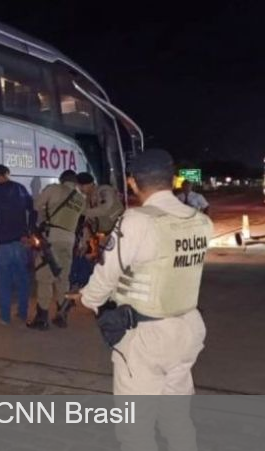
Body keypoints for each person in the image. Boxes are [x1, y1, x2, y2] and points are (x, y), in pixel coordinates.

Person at [66, 148, 213, 395]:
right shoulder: (200, 220)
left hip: (149, 335)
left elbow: (107, 273)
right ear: (173, 178)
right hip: (189, 327)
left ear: (132, 182)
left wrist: (88, 299)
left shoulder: (137, 220)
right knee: (176, 412)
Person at [28, 170, 85, 330]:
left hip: (51, 239)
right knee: (63, 278)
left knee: (45, 278)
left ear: (62, 180)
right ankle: (62, 316)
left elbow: (36, 205)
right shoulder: (80, 199)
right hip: (69, 241)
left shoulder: (54, 189)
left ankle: (42, 318)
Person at [0, 164, 34, 325]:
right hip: (20, 241)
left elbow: (0, 209)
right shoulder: (21, 188)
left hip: (2, 242)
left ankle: (5, 317)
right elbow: (32, 209)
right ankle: (22, 313)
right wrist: (28, 232)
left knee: (4, 282)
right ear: (7, 173)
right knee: (22, 279)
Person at [71, 172, 124, 288]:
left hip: (119, 233)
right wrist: (84, 242)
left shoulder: (104, 191)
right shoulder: (88, 199)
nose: (80, 189)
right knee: (99, 263)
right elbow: (88, 222)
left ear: (87, 184)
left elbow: (105, 208)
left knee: (114, 265)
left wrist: (84, 211)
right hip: (103, 235)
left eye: (80, 186)